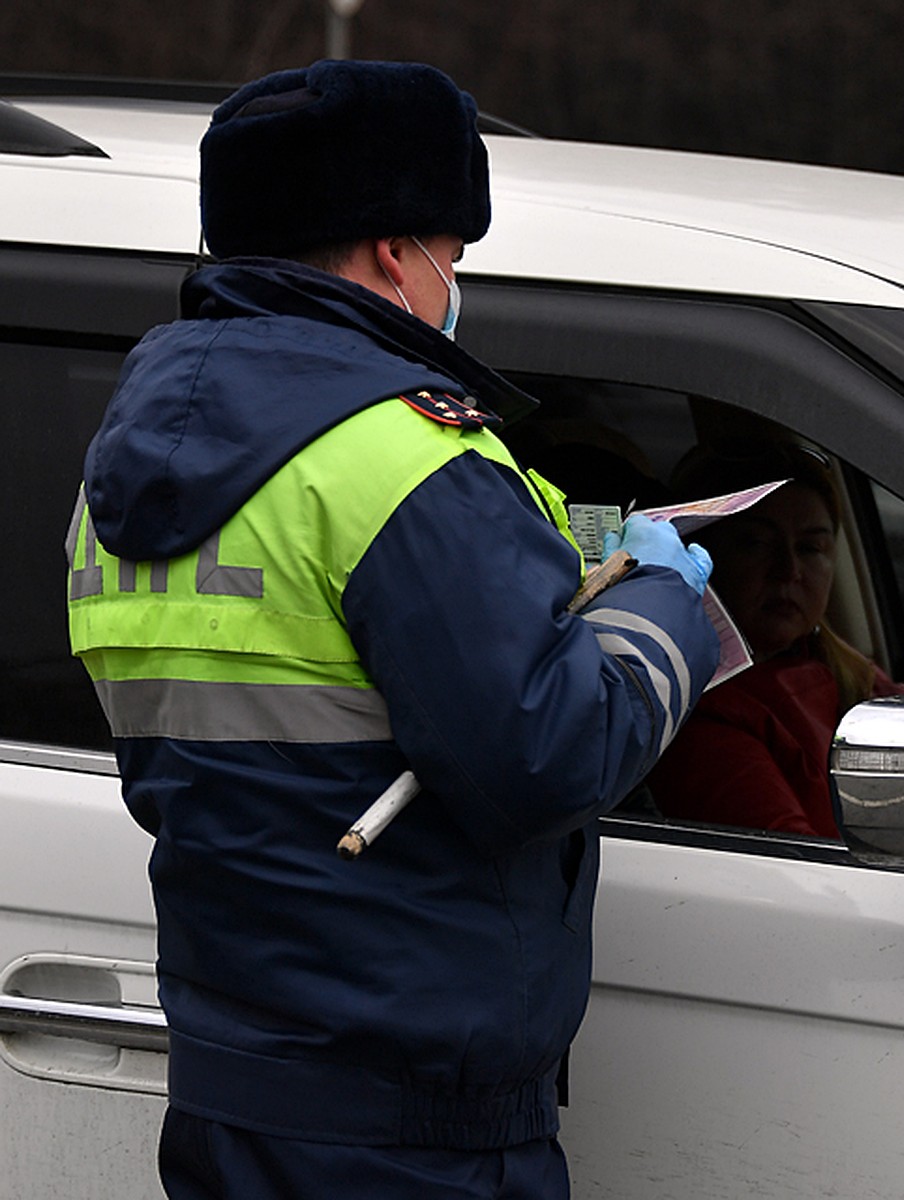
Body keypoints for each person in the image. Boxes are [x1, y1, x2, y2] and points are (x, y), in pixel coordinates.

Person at [65, 60, 718, 1200]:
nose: (454, 282)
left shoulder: (121, 471)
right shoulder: (406, 457)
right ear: (391, 254)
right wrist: (665, 601)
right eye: (451, 255)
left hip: (238, 1090)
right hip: (413, 1125)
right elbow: (549, 753)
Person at [649, 440, 903, 838]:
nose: (789, 570)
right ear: (697, 553)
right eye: (755, 543)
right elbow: (792, 861)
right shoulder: (701, 711)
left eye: (811, 547)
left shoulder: (847, 671)